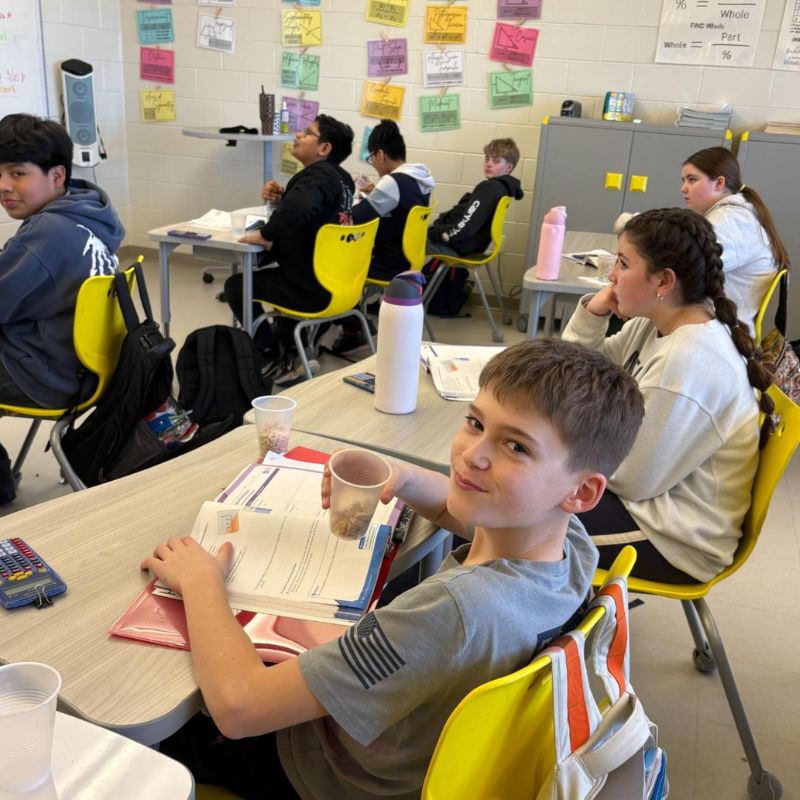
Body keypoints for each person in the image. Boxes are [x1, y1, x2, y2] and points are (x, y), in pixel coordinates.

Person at [142, 338, 645, 800]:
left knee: (158, 716)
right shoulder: (571, 546)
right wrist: (403, 478)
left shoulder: (453, 611)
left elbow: (240, 708)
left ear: (581, 491)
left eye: (516, 446)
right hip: (414, 750)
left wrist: (202, 581)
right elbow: (464, 516)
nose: (472, 455)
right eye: (475, 422)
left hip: (326, 774)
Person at [562, 207, 775, 585]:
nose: (610, 275)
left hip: (673, 538)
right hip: (644, 503)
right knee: (520, 488)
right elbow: (575, 379)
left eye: (623, 264)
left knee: (511, 509)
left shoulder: (688, 360)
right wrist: (592, 315)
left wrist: (561, 451)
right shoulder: (657, 325)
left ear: (664, 281)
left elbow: (630, 479)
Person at [0, 113, 125, 504]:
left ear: (56, 176)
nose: (4, 186)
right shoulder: (88, 214)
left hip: (51, 376)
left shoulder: (43, 236)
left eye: (18, 174)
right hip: (89, 366)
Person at [227, 114, 356, 380]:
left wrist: (266, 233)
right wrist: (282, 199)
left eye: (307, 132)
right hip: (340, 284)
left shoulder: (316, 175)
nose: (298, 135)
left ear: (324, 148)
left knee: (236, 286)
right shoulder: (343, 180)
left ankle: (269, 351)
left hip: (310, 287)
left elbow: (300, 208)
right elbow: (313, 214)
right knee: (280, 277)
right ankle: (294, 351)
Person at [332, 120, 434, 354]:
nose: (374, 166)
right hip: (410, 260)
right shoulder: (421, 178)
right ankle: (358, 324)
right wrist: (372, 192)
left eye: (371, 159)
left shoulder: (392, 182)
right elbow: (398, 208)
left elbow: (356, 218)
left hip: (388, 264)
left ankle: (354, 329)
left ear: (380, 154)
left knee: (337, 269)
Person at [681, 146, 790, 336]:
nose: (683, 188)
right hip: (725, 327)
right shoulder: (738, 213)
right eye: (684, 180)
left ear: (719, 183)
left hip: (724, 334)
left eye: (692, 179)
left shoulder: (732, 220)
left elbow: (687, 265)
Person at [426, 138, 523, 258]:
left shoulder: (490, 188)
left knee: (403, 241)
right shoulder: (503, 188)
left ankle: (403, 276)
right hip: (468, 244)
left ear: (509, 167)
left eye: (496, 161)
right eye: (487, 159)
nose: (489, 163)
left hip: (457, 245)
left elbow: (465, 227)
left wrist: (435, 234)